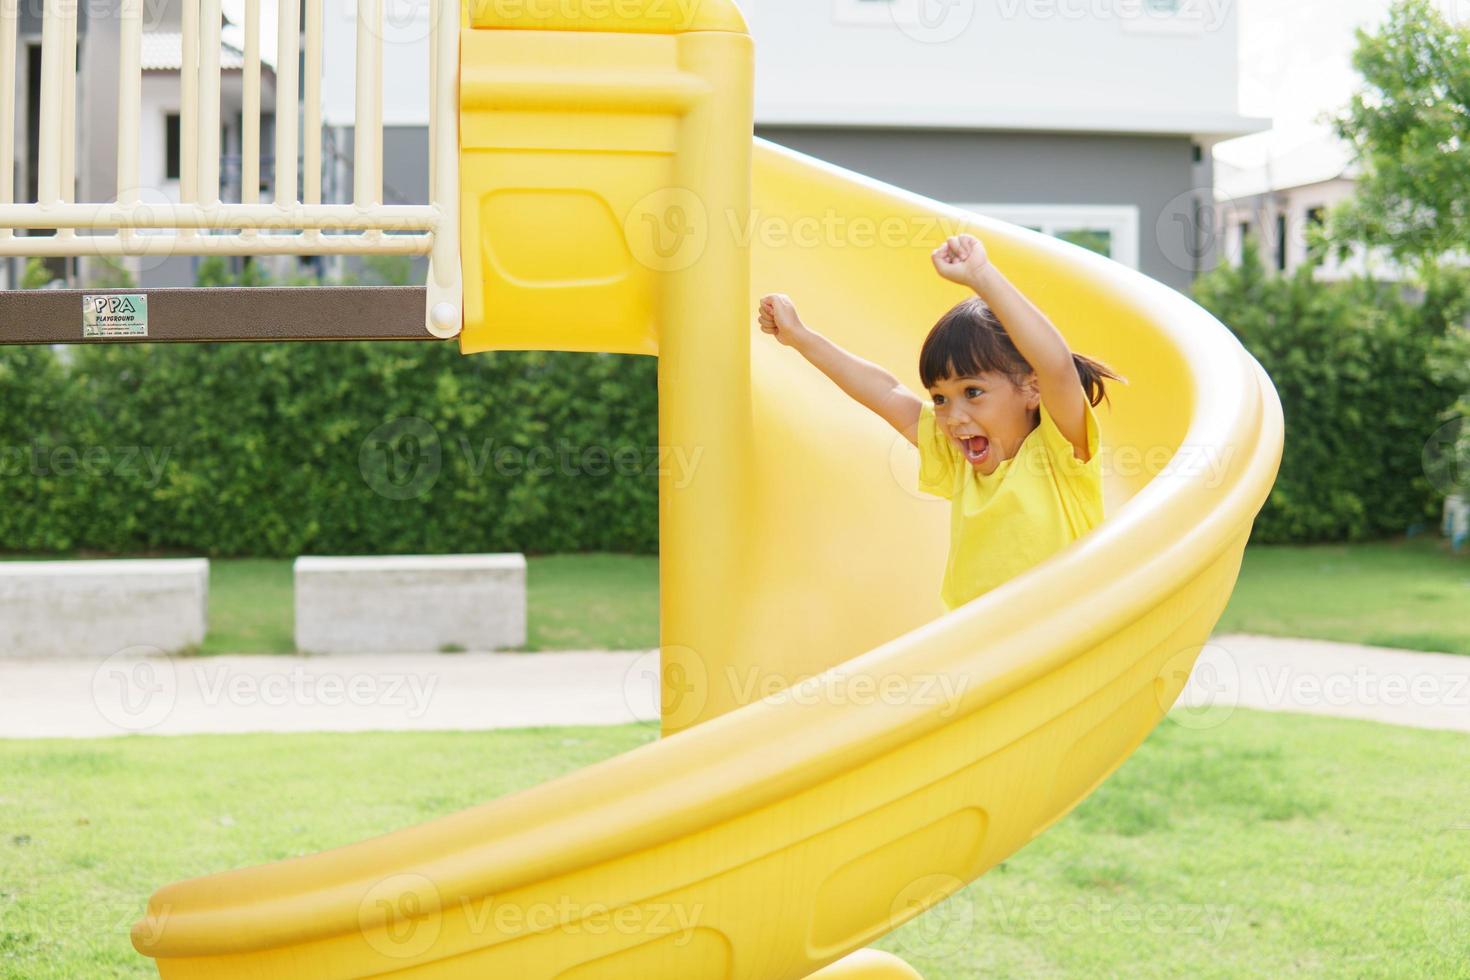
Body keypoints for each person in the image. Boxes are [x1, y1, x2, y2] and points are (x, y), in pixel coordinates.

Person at [759, 233, 1125, 610]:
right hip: (982, 649)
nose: (953, 417)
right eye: (939, 399)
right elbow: (885, 393)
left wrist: (982, 276)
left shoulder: (1060, 454)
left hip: (1064, 642)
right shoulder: (956, 457)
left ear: (1032, 389)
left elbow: (1056, 366)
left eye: (972, 392)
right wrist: (800, 338)